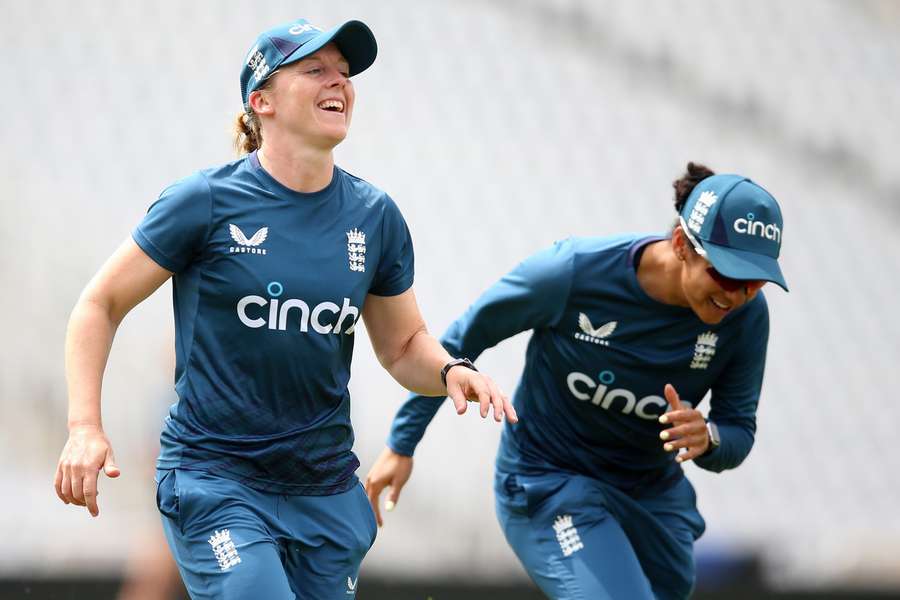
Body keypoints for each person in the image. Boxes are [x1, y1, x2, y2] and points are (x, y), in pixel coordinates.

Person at [54, 18, 516, 600]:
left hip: (324, 492)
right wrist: (83, 428)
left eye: (345, 74)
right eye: (315, 69)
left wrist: (450, 370)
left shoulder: (375, 217)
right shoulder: (205, 201)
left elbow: (401, 347)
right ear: (261, 100)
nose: (339, 83)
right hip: (217, 481)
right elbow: (100, 302)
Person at [365, 162, 789, 599]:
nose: (735, 296)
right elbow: (462, 339)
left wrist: (709, 437)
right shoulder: (572, 272)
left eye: (753, 283)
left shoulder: (745, 319)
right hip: (548, 480)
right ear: (682, 244)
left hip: (649, 494)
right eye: (724, 274)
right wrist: (403, 443)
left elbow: (737, 428)